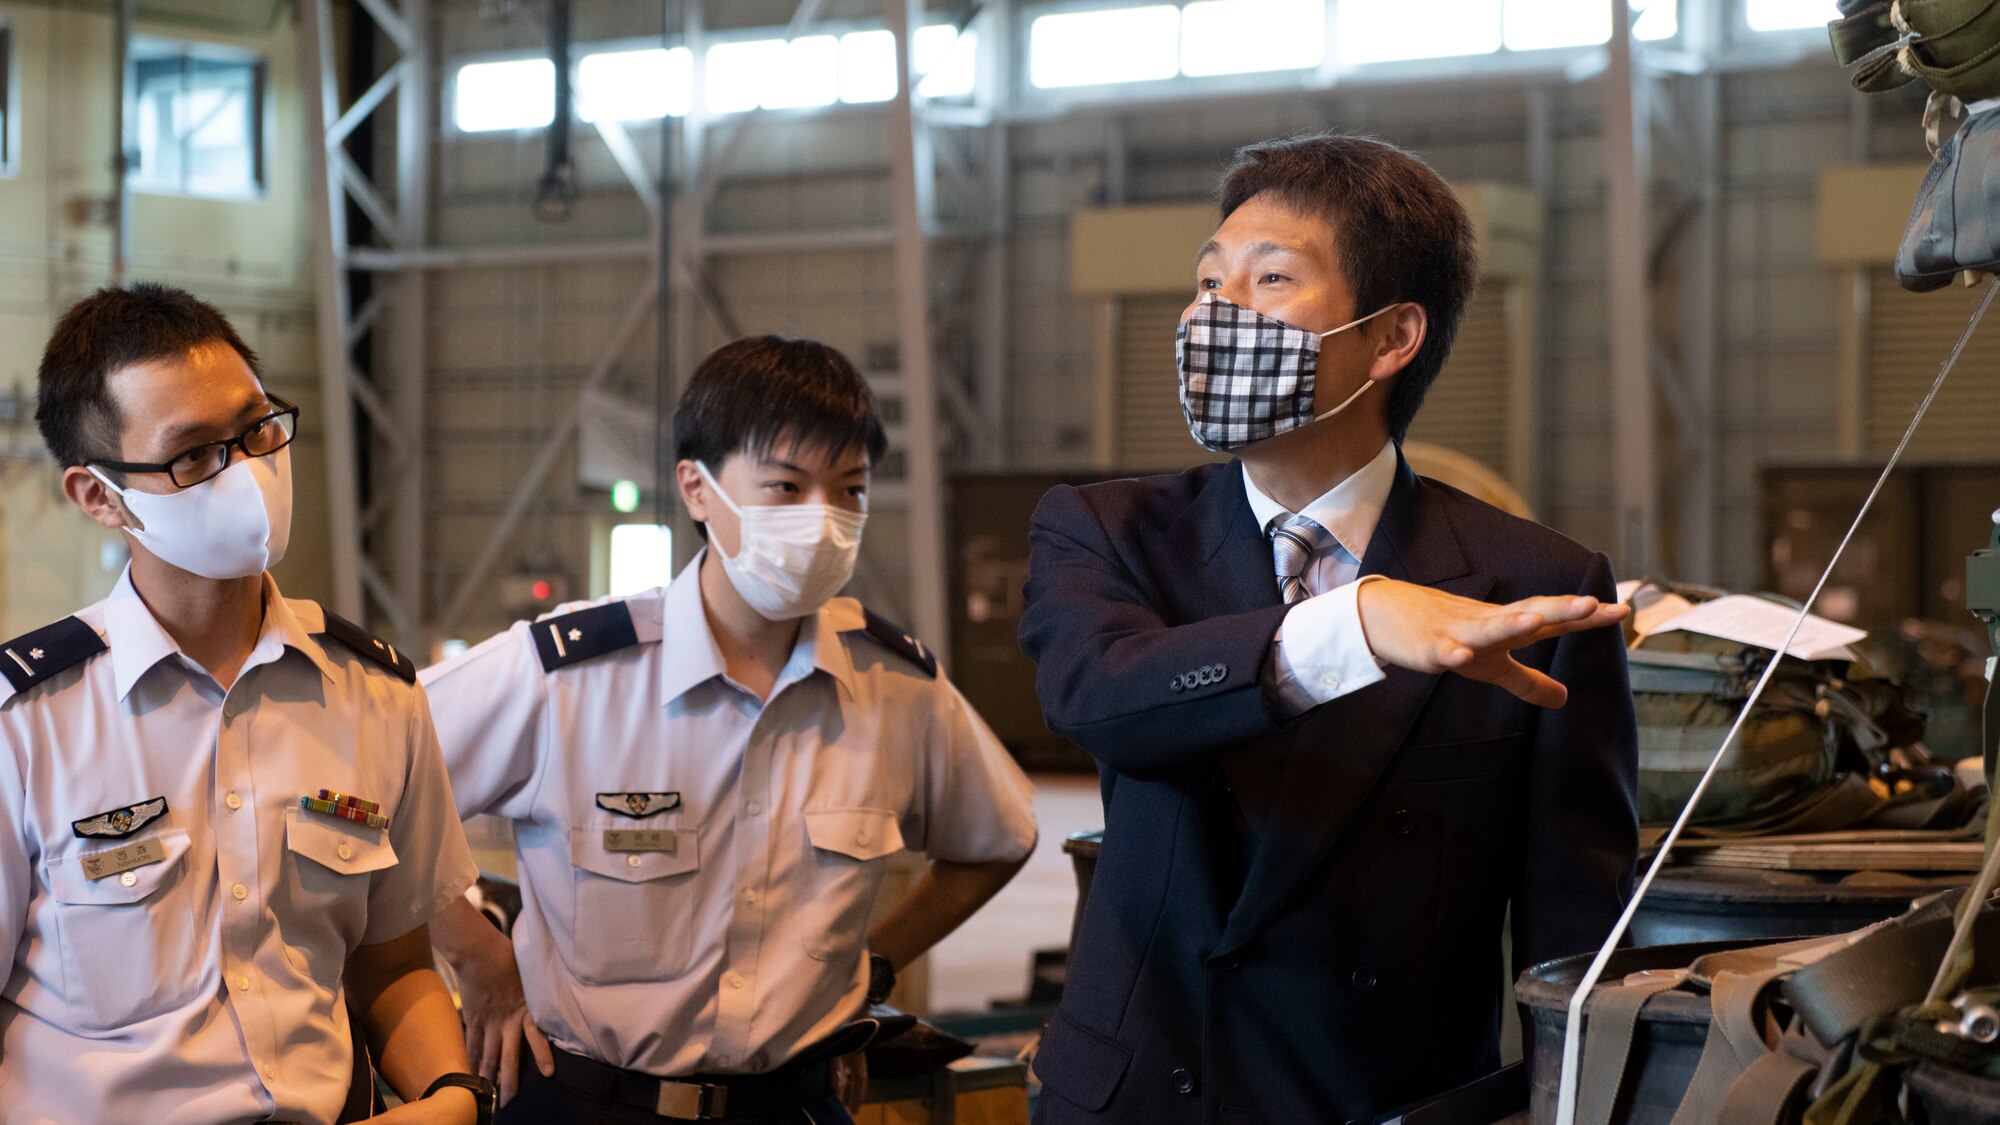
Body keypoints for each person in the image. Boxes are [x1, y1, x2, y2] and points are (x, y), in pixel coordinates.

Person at [1019, 134, 1640, 1123]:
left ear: (1391, 338)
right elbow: (1102, 698)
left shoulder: (1532, 585)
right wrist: (1350, 623)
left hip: (1384, 1100)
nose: (1213, 313)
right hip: (1141, 1094)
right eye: (1205, 280)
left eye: (1268, 279)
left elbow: (1574, 933)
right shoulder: (1107, 531)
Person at [423, 335, 1038, 1124]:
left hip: (794, 1106)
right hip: (592, 1099)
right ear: (697, 488)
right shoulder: (570, 675)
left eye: (849, 489)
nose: (822, 519)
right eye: (785, 486)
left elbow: (998, 838)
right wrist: (478, 959)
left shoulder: (896, 690)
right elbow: (372, 773)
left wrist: (867, 972)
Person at [0, 284, 491, 1125]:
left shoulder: (375, 693)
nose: (247, 472)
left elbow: (394, 964)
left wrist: (451, 1094)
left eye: (257, 429)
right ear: (99, 496)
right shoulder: (28, 722)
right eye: (193, 454)